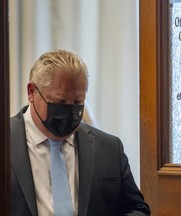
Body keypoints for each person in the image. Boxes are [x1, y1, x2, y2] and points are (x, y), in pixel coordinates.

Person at [10, 49, 151, 216]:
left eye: (77, 102)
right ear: (31, 92)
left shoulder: (109, 148)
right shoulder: (6, 143)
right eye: (59, 102)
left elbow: (137, 210)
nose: (69, 111)